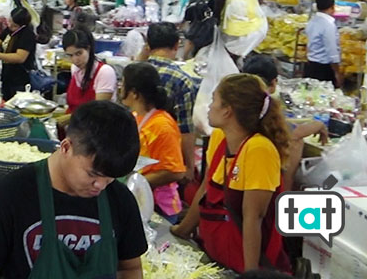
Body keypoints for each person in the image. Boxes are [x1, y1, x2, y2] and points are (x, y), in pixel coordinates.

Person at [0, 101, 146, 279]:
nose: (101, 185)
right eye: (92, 174)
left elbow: (130, 269)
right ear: (66, 147)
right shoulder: (7, 197)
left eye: (110, 177)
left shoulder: (121, 200)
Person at [171, 74, 292, 273]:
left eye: (214, 100)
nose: (209, 106)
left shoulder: (259, 149)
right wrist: (180, 232)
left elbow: (254, 218)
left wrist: (251, 274)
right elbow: (206, 190)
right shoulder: (220, 137)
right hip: (216, 259)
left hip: (246, 265)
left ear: (228, 111)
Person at [241, 54, 329, 190]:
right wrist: (319, 125)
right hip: (258, 172)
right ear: (274, 83)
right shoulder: (265, 105)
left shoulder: (239, 102)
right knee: (295, 144)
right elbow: (294, 132)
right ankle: (285, 192)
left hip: (239, 169)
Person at [119, 62, 186, 224]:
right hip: (138, 197)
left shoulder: (162, 125)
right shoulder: (136, 116)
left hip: (159, 206)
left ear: (134, 93)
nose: (120, 87)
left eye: (123, 83)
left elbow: (176, 171)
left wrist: (137, 184)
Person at [145, 22, 198, 182]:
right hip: (167, 157)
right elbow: (186, 129)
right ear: (177, 45)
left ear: (148, 45)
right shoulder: (182, 80)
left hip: (138, 152)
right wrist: (189, 166)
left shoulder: (134, 72)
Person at [0, 7, 37, 100]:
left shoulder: (27, 35)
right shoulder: (9, 30)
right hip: (7, 76)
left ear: (22, 25)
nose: (10, 26)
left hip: (20, 79)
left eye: (14, 25)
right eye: (10, 22)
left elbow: (20, 57)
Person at [62, 29, 116, 113]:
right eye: (70, 55)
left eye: (79, 53)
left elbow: (99, 111)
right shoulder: (75, 69)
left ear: (88, 49)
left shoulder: (105, 72)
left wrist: (67, 119)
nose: (75, 60)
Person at [304, 0, 342, 87]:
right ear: (332, 7)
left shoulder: (312, 22)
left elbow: (309, 44)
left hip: (310, 66)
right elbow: (332, 51)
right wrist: (337, 72)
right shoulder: (329, 25)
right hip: (324, 70)